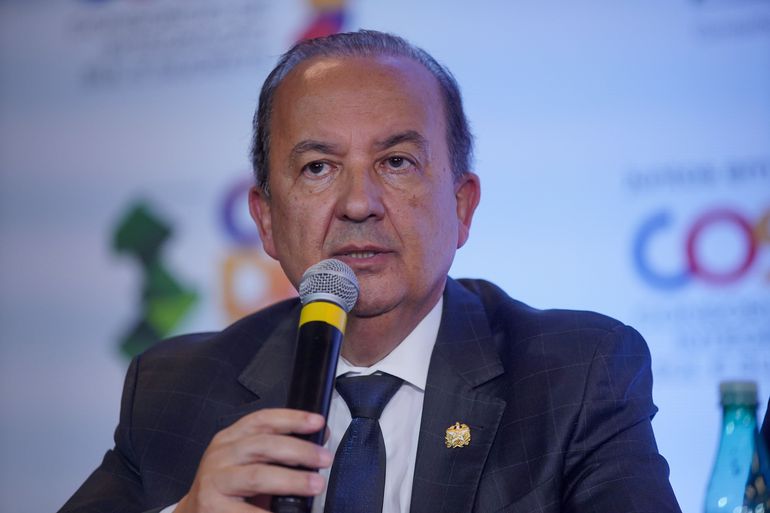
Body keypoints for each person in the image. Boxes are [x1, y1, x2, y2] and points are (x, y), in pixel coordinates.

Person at [59, 30, 681, 513]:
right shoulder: (175, 390)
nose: (359, 203)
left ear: (462, 207)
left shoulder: (576, 374)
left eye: (398, 161)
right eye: (318, 168)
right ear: (267, 220)